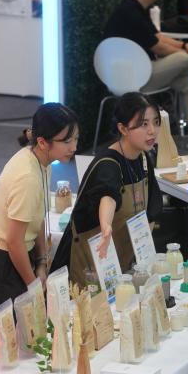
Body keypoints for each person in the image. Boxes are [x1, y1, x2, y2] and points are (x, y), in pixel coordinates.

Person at [0, 103, 79, 364]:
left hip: (13, 257)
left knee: (24, 343)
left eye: (76, 138)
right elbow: (14, 241)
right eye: (66, 141)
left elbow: (37, 215)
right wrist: (32, 284)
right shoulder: (27, 175)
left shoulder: (44, 162)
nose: (73, 147)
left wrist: (41, 263)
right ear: (42, 141)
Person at [51, 93, 163, 284]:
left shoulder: (143, 158)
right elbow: (108, 196)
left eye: (156, 122)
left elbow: (152, 209)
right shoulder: (108, 163)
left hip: (121, 263)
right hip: (90, 266)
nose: (152, 130)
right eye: (143, 124)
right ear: (123, 128)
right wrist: (106, 226)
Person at [103, 0, 188, 146]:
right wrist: (186, 52)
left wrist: (185, 45)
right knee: (185, 61)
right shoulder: (131, 12)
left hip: (132, 73)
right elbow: (158, 46)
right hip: (134, 77)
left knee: (186, 80)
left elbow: (158, 37)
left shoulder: (131, 8)